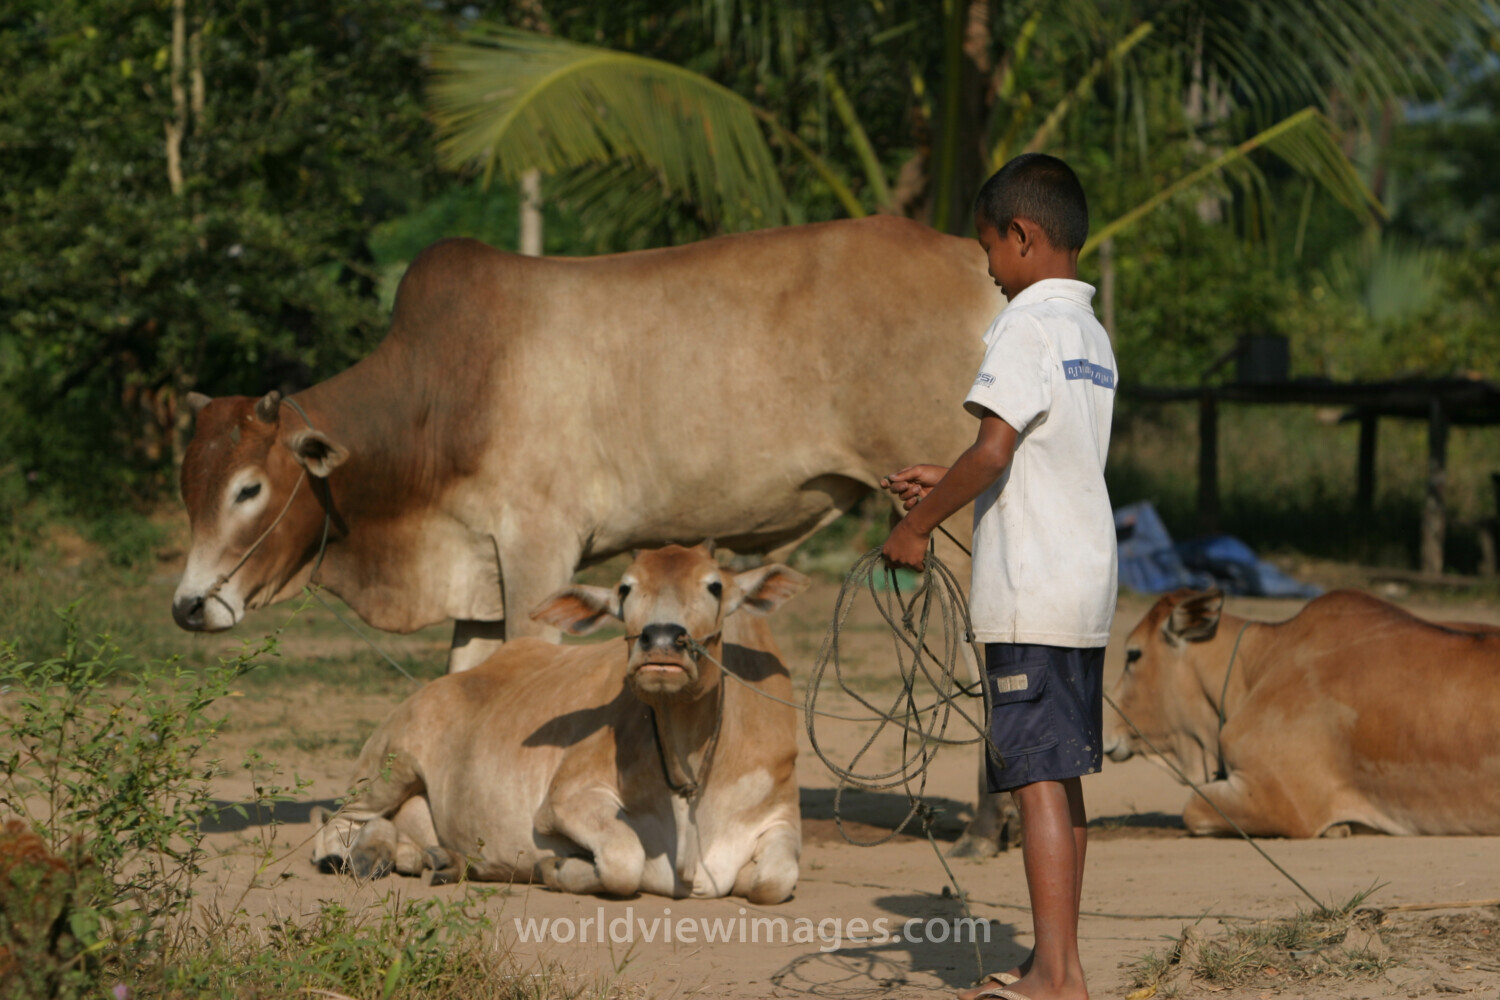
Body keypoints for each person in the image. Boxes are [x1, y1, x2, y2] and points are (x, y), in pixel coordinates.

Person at [880, 152, 1117, 1000]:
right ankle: (1061, 964)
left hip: (1032, 588)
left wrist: (916, 525)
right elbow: (1030, 456)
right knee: (1061, 773)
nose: (987, 268)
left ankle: (1054, 976)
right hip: (1084, 584)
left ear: (1022, 236)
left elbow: (993, 449)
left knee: (1034, 779)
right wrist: (935, 480)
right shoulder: (1091, 334)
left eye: (989, 251)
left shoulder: (1024, 323)